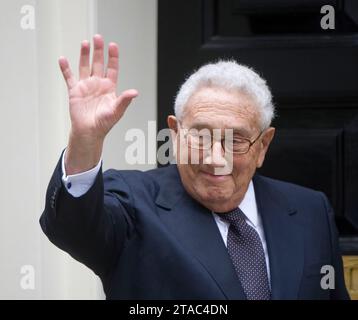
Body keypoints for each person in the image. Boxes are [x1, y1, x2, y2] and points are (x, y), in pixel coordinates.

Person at [40, 34, 349, 300]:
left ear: (263, 146)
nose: (215, 158)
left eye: (236, 140)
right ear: (175, 134)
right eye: (200, 137)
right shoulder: (134, 202)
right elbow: (74, 230)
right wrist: (86, 140)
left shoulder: (309, 210)